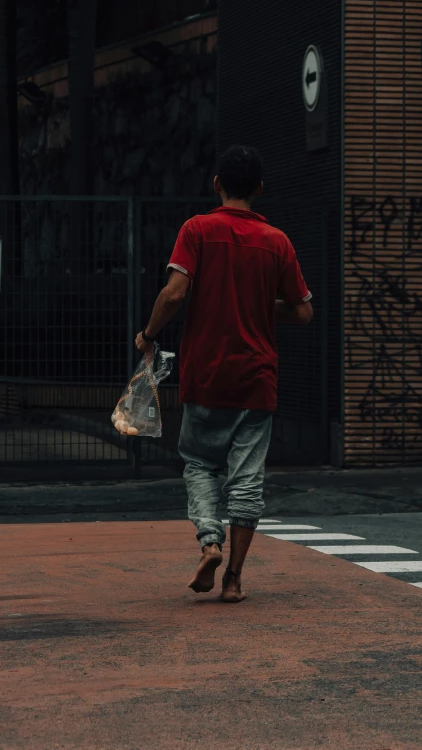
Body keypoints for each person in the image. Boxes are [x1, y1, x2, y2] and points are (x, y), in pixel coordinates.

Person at [135, 145, 313, 603]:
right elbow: (303, 311)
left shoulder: (197, 230)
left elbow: (174, 294)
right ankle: (233, 578)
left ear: (217, 185)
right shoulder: (278, 241)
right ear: (259, 189)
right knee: (247, 478)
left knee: (199, 463)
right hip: (257, 378)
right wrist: (260, 305)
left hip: (206, 374)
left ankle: (209, 541)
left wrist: (149, 334)